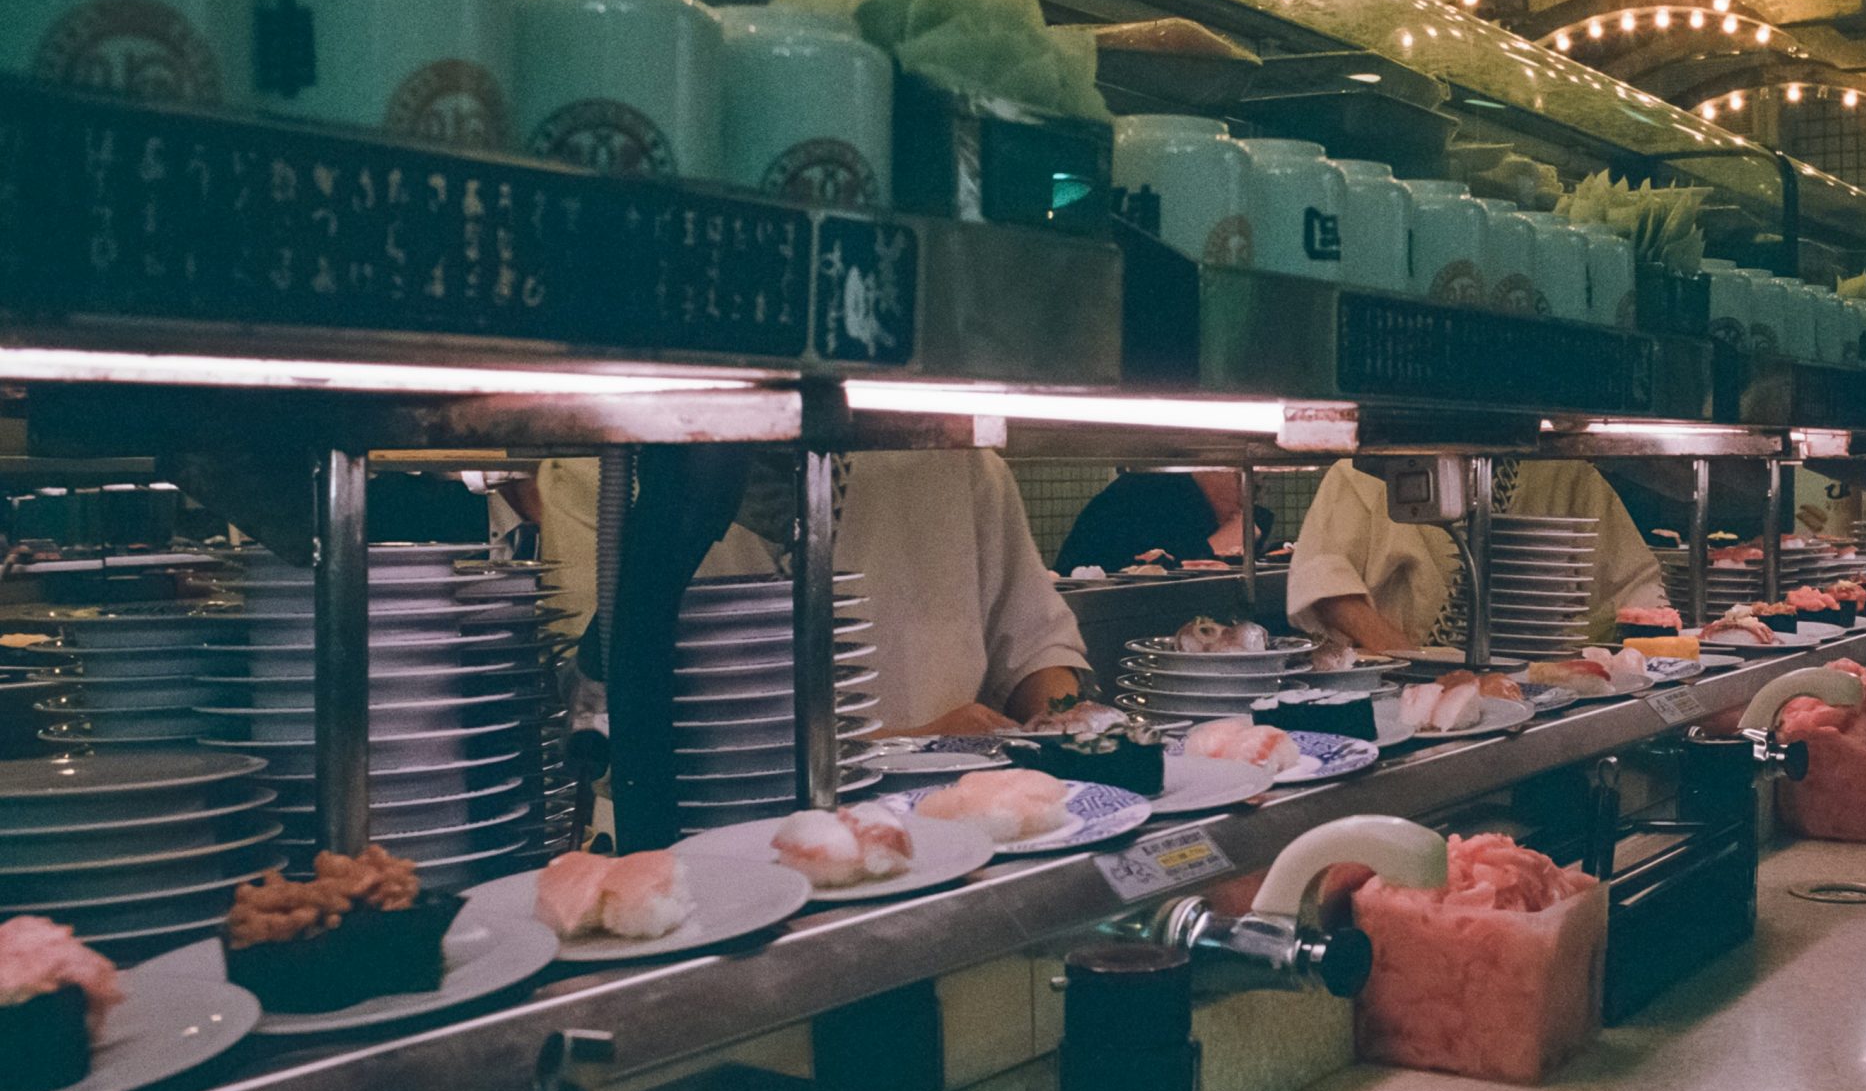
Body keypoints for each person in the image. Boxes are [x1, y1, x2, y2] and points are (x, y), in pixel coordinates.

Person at [534, 450, 1089, 737]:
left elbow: (1035, 648)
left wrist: (1065, 723)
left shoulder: (948, 449)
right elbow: (605, 724)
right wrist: (919, 747)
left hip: (951, 840)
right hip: (698, 863)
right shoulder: (599, 472)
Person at [1287, 458, 1667, 651]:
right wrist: (1416, 664)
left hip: (1550, 687)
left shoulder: (1565, 470)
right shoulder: (1364, 468)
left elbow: (1636, 586)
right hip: (1400, 683)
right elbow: (1327, 587)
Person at [1054, 470, 1274, 574]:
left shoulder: (1192, 499)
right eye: (1243, 482)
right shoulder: (1155, 491)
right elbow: (1156, 575)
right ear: (1213, 471)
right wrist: (1216, 546)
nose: (1246, 500)